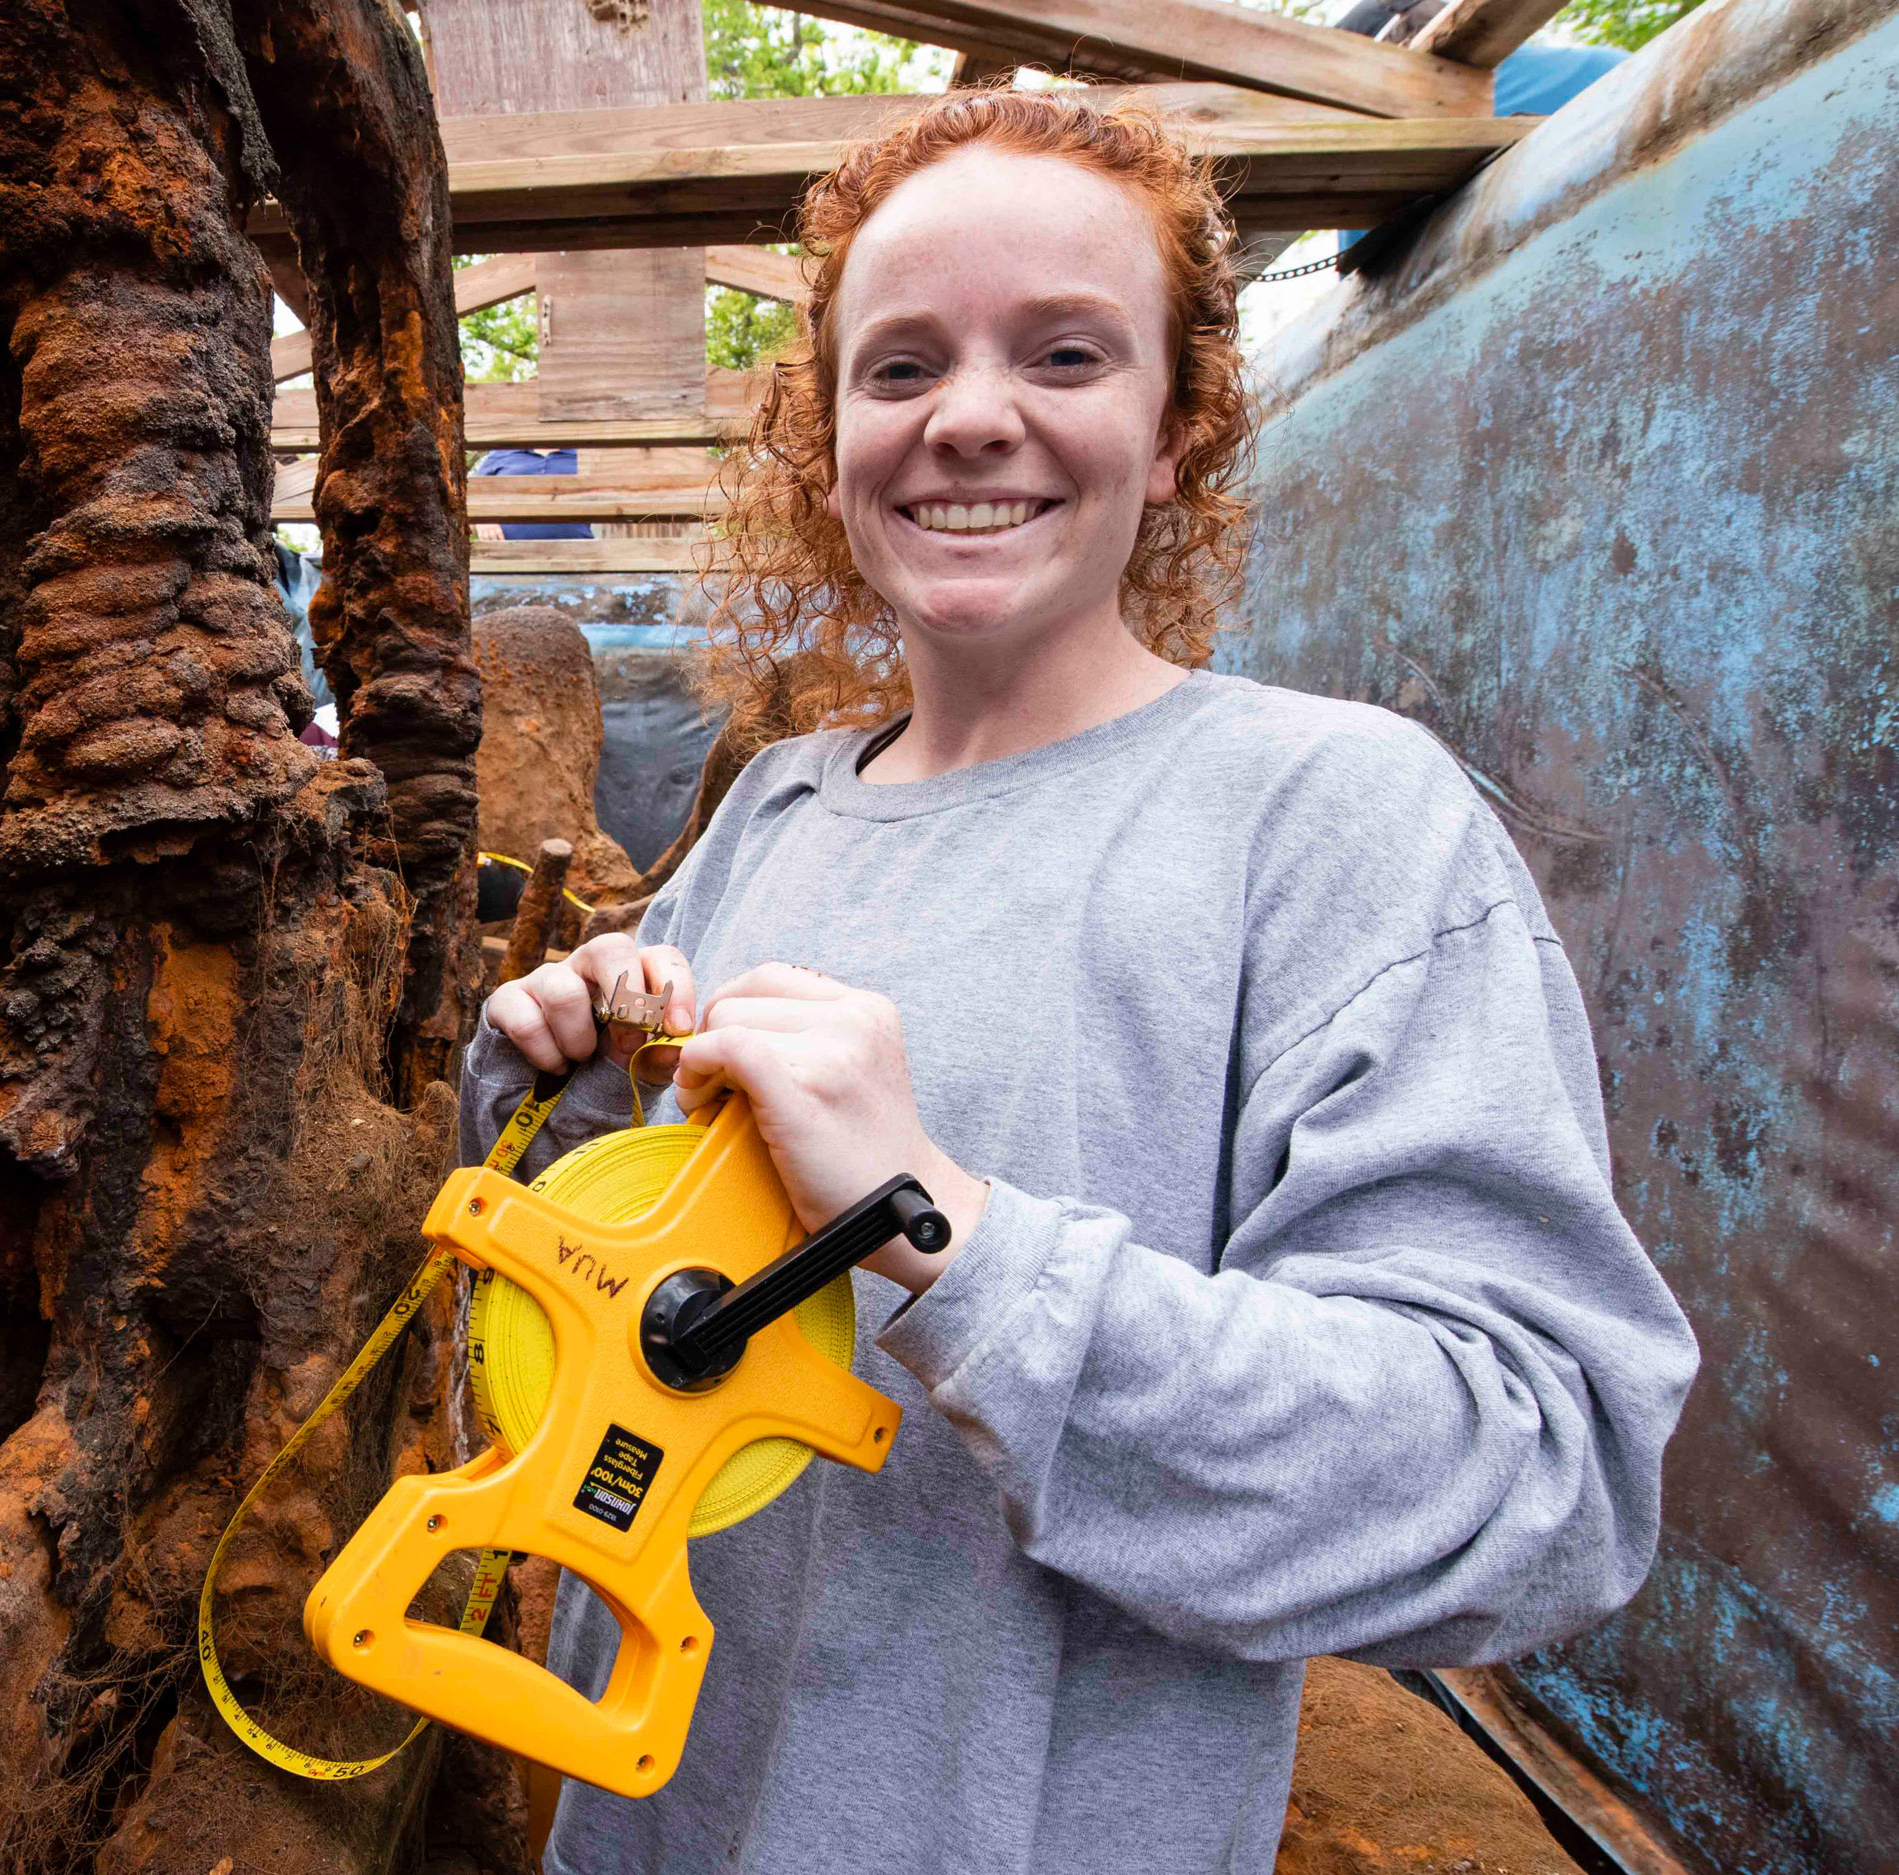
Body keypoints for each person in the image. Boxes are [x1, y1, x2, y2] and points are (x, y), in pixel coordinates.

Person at [462, 90, 1696, 1875]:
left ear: (1179, 424)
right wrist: (569, 1093)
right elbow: (636, 1311)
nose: (971, 418)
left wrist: (953, 1230)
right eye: (899, 368)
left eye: (1063, 351)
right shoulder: (781, 814)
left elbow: (1538, 1478)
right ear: (825, 442)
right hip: (636, 1816)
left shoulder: (1336, 822)